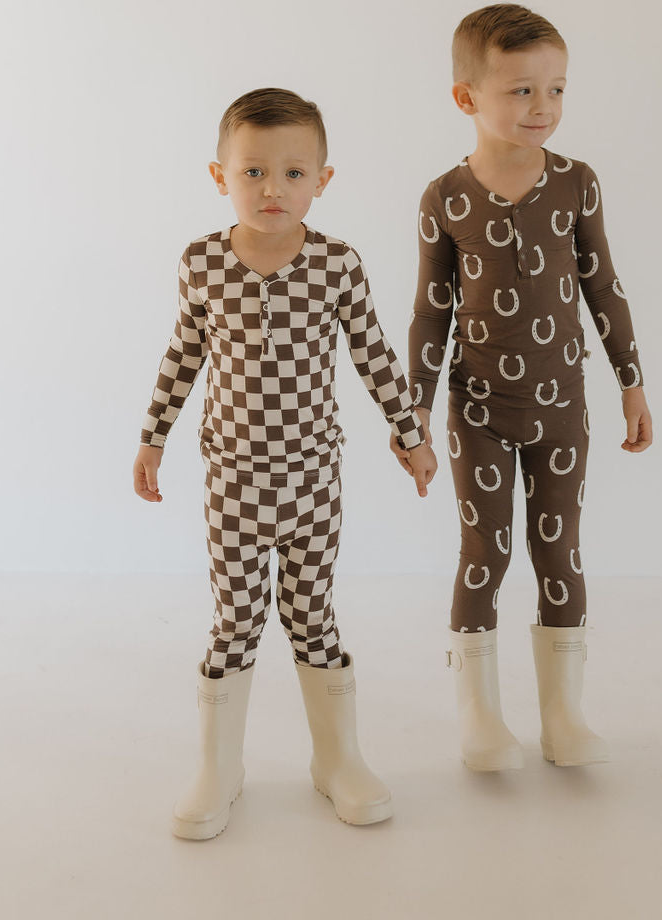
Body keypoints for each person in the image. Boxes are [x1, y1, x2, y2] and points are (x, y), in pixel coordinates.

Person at [134, 87, 437, 838]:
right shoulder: (203, 263)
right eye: (254, 172)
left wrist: (411, 433)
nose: (274, 189)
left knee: (312, 615)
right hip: (233, 484)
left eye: (294, 173)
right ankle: (219, 768)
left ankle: (337, 760)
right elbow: (182, 357)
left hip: (312, 482)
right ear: (220, 176)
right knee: (235, 619)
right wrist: (153, 437)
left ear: (322, 181)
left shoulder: (336, 264)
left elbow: (373, 354)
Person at [398, 3, 652, 772]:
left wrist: (631, 383)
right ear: (466, 97)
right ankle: (480, 718)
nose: (543, 107)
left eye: (556, 89)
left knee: (559, 551)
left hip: (562, 411)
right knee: (486, 552)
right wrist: (412, 414)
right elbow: (430, 312)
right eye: (521, 90)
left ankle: (563, 716)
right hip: (478, 412)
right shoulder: (445, 197)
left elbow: (603, 286)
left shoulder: (577, 183)